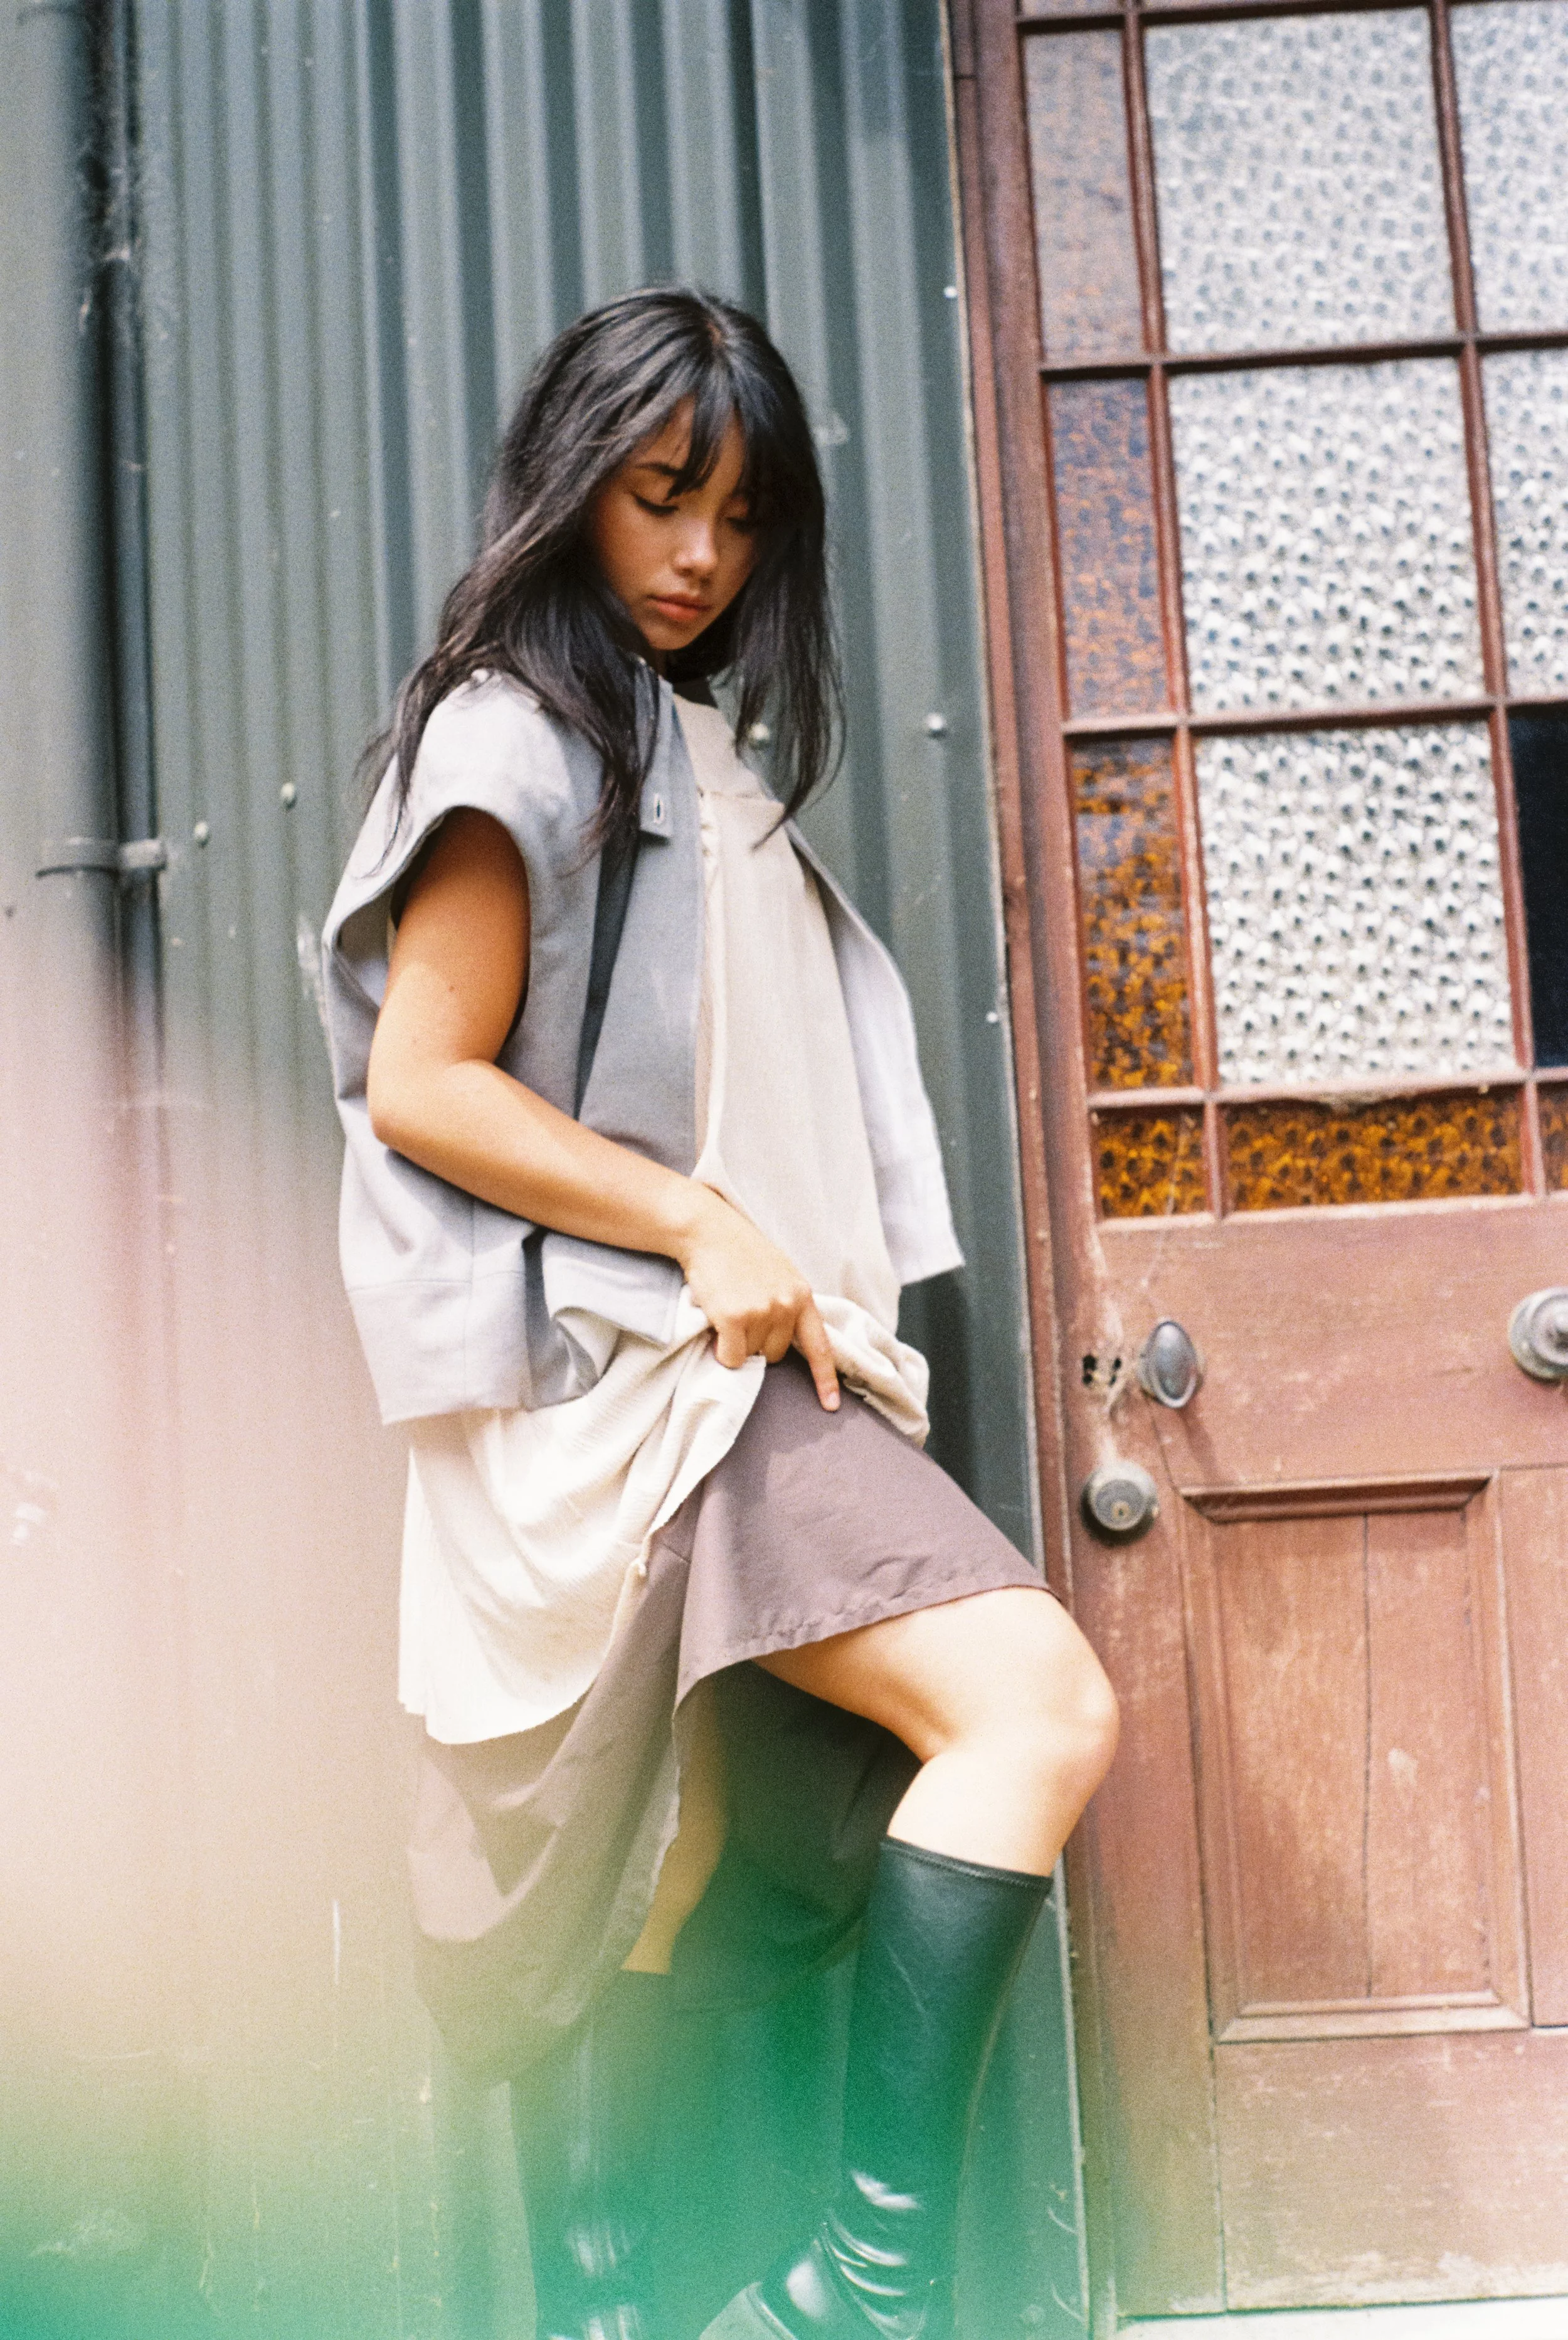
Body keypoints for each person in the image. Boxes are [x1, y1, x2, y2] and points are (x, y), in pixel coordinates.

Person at [322, 288, 1118, 2340]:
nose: (697, 554)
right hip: (650, 1379)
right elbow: (425, 1078)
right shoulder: (518, 729)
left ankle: (635, 2320)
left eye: (742, 516)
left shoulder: (689, 746)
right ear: (568, 483)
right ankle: (869, 2299)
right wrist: (697, 1225)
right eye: (658, 496)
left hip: (732, 1371)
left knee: (666, 1872)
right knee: (1030, 1704)